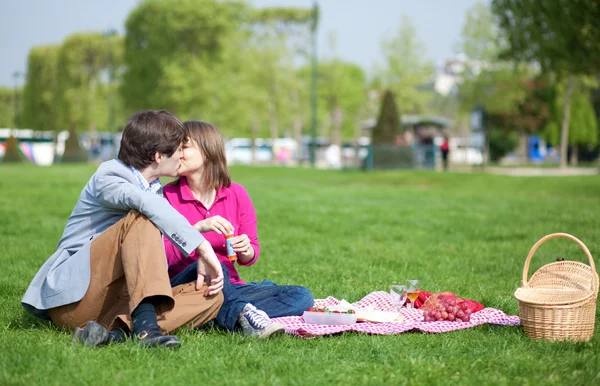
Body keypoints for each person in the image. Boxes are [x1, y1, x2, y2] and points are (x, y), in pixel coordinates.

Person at [21, 111, 282, 349]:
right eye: (177, 150)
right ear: (159, 157)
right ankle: (147, 329)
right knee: (142, 218)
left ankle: (115, 335)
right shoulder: (109, 176)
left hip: (117, 305)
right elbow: (145, 205)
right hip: (75, 300)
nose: (181, 155)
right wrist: (202, 246)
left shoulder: (154, 187)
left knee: (213, 296)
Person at [163, 121, 314, 320]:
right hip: (188, 284)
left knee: (301, 296)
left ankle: (222, 314)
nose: (177, 153)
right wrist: (196, 230)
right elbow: (162, 256)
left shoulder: (237, 194)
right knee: (214, 262)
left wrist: (246, 249)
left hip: (231, 286)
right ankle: (242, 314)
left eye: (184, 147)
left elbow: (251, 253)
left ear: (207, 151)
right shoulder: (166, 196)